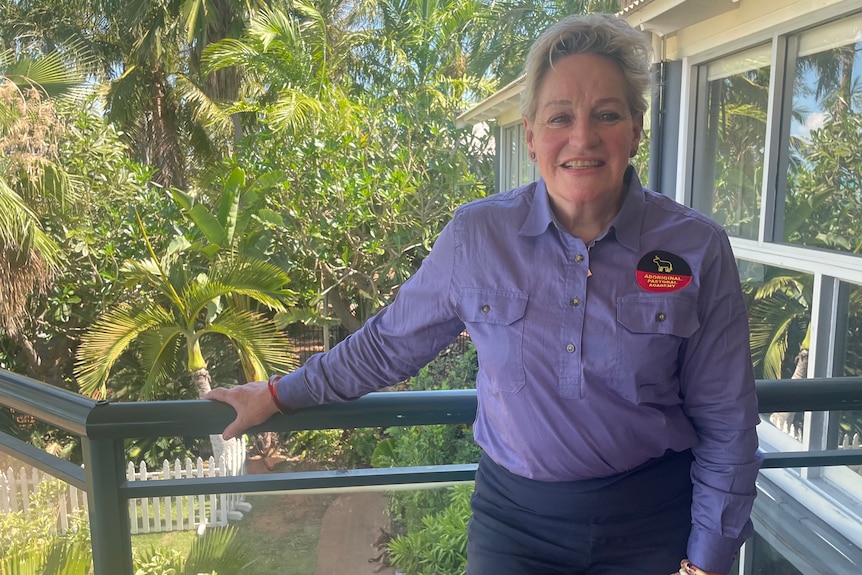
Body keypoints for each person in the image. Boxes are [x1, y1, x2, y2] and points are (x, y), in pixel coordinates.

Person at [206, 13, 762, 575]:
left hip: (654, 523)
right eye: (560, 117)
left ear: (637, 128)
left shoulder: (696, 247)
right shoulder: (477, 236)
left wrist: (707, 562)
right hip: (515, 529)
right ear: (529, 135)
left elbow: (727, 422)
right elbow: (387, 346)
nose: (583, 138)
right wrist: (278, 393)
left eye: (608, 115)